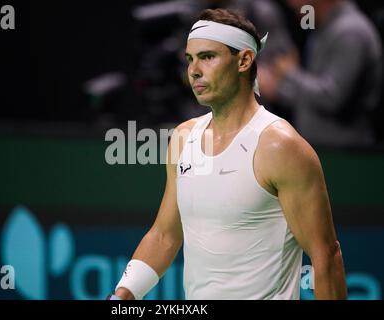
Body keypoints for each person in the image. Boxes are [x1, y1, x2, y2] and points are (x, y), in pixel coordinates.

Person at [108, 8, 347, 300]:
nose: (194, 70)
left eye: (207, 57)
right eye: (190, 59)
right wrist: (123, 295)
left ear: (244, 60)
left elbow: (326, 256)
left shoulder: (280, 146)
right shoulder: (183, 138)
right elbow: (164, 235)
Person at [259, 0, 383, 148]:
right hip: (318, 148)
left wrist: (290, 73)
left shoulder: (350, 32)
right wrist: (277, 90)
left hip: (346, 153)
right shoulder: (323, 28)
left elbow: (332, 99)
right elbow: (311, 100)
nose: (292, 4)